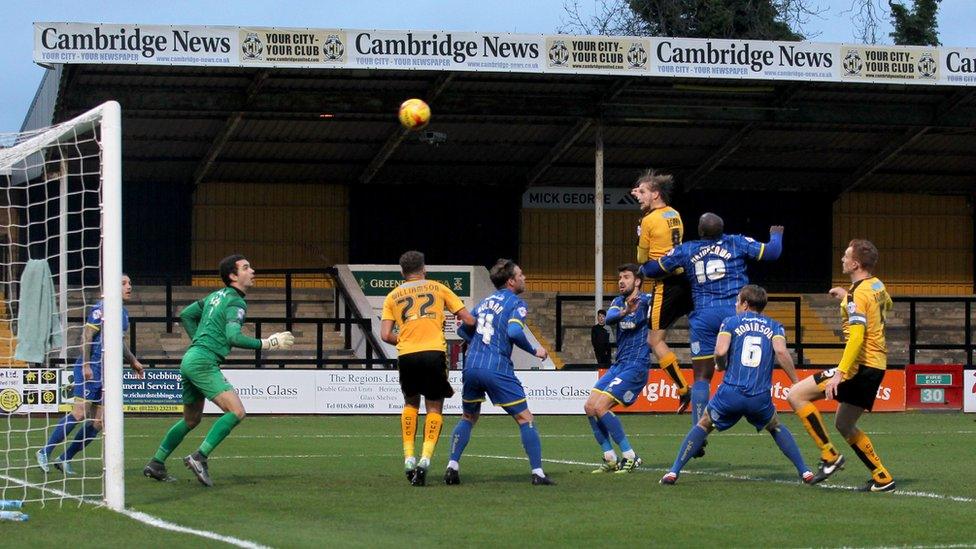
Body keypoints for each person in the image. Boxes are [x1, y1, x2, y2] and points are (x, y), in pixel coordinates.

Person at [143, 255, 295, 487]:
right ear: (233, 276)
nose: (252, 271)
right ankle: (199, 457)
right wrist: (268, 343)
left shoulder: (215, 296)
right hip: (203, 361)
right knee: (236, 412)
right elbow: (233, 337)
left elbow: (186, 314)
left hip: (191, 358)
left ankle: (156, 463)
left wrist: (199, 340)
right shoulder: (236, 301)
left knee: (191, 419)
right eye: (246, 268)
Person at [642, 213, 783, 441]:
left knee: (701, 377)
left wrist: (644, 265)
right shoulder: (736, 242)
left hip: (704, 316)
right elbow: (773, 252)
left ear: (699, 231)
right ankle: (758, 414)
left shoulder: (687, 249)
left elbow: (651, 270)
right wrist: (776, 234)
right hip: (736, 313)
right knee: (744, 367)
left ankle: (698, 433)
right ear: (722, 228)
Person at [660, 285, 813, 485]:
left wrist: (720, 365)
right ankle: (805, 471)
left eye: (738, 301)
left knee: (704, 424)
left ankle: (673, 472)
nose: (735, 305)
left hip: (731, 393)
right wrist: (795, 381)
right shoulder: (775, 326)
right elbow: (782, 353)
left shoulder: (730, 322)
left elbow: (721, 352)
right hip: (759, 396)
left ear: (746, 304)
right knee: (775, 427)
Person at [787, 239, 895, 492]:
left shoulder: (858, 294)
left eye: (846, 256)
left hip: (860, 366)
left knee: (796, 395)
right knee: (844, 423)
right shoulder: (876, 285)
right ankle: (882, 477)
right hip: (877, 365)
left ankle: (830, 456)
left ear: (856, 263)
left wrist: (841, 373)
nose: (843, 260)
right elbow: (886, 305)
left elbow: (857, 336)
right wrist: (848, 298)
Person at [443, 259, 554, 486]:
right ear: (511, 281)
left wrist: (481, 343)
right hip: (497, 367)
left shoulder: (483, 303)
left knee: (468, 417)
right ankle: (538, 473)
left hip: (472, 366)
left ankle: (452, 465)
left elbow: (463, 329)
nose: (524, 278)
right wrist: (535, 350)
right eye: (521, 274)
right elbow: (514, 331)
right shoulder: (515, 303)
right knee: (525, 418)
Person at [380, 250, 475, 487]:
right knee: (434, 406)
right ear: (424, 269)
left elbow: (385, 335)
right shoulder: (438, 288)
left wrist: (404, 341)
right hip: (434, 352)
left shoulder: (393, 295)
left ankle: (409, 457)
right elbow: (468, 319)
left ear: (402, 272)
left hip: (407, 355)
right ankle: (425, 460)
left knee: (410, 403)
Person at [36, 274, 145, 474]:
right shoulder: (101, 308)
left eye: (130, 283)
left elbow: (118, 342)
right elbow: (87, 335)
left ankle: (64, 458)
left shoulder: (122, 313)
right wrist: (86, 364)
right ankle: (44, 452)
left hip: (106, 373)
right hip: (90, 368)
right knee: (79, 413)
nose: (129, 286)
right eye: (123, 283)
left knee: (99, 422)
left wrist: (133, 361)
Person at [631, 170, 693, 412]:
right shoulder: (674, 214)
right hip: (685, 279)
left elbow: (641, 257)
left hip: (664, 284)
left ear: (655, 194)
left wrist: (639, 234)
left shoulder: (648, 221)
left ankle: (683, 389)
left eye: (643, 192)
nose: (639, 196)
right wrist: (640, 192)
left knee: (654, 341)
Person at [585, 264, 651, 473]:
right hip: (619, 365)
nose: (621, 281)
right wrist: (626, 311)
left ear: (637, 281)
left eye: (626, 277)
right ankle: (610, 457)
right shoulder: (617, 302)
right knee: (589, 407)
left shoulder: (647, 302)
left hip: (636, 365)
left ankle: (630, 456)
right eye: (620, 277)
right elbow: (611, 318)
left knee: (601, 407)